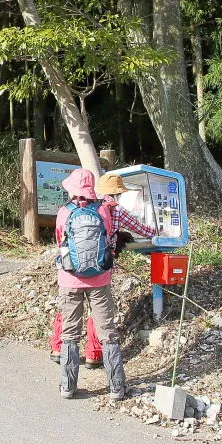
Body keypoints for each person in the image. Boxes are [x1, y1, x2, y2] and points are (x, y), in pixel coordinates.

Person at [49, 171, 157, 367]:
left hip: (70, 272)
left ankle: (58, 350)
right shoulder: (110, 210)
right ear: (118, 193)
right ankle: (94, 354)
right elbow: (143, 230)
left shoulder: (67, 210)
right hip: (100, 271)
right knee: (99, 317)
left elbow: (59, 241)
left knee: (69, 317)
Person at [54, 167, 137, 400]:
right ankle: (117, 388)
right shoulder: (103, 210)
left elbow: (60, 240)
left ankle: (68, 387)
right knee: (107, 331)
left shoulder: (63, 211)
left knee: (70, 332)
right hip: (100, 278)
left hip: (70, 279)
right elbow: (109, 237)